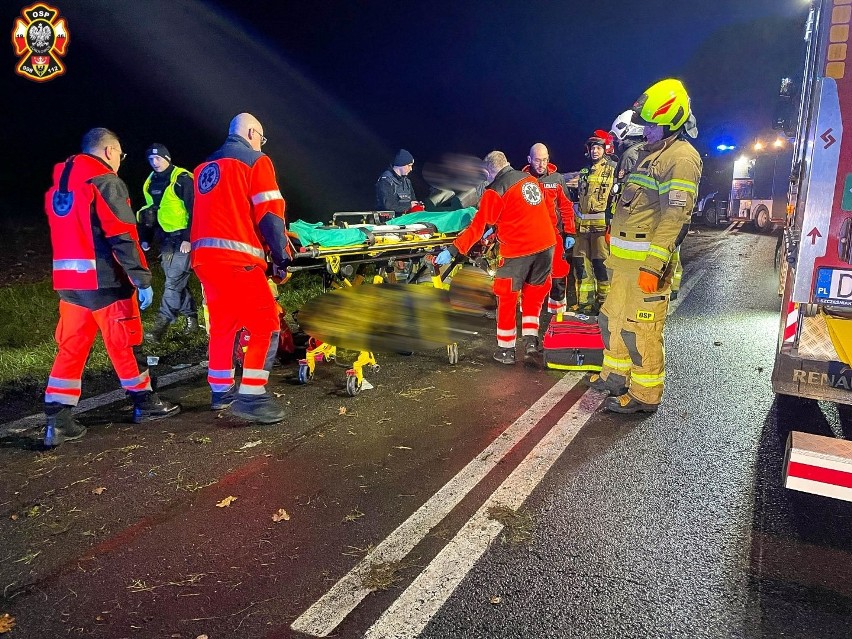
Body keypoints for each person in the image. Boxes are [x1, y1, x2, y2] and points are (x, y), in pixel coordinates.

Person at [43, 128, 181, 447]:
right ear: (109, 151)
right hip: (105, 281)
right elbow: (121, 235)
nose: (119, 161)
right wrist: (141, 278)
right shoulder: (105, 181)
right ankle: (145, 403)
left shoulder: (62, 184)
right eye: (120, 155)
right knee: (126, 344)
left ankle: (57, 420)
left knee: (71, 349)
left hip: (70, 284)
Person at [586, 79, 702, 413]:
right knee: (613, 320)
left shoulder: (681, 158)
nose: (645, 130)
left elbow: (676, 217)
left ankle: (644, 394)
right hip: (622, 264)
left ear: (670, 122)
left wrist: (654, 266)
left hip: (644, 268)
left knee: (642, 330)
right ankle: (615, 375)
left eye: (651, 124)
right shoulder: (650, 155)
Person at [191, 113, 292, 424]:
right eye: (260, 138)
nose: (261, 144)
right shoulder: (256, 161)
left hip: (204, 261)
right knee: (266, 324)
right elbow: (270, 214)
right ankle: (251, 396)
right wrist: (282, 256)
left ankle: (220, 391)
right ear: (251, 132)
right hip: (238, 259)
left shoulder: (203, 169)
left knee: (224, 325)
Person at [435, 151, 556, 364]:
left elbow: (478, 225)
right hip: (546, 246)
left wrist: (454, 250)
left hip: (519, 250)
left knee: (507, 297)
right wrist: (498, 230)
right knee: (533, 295)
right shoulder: (529, 179)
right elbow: (529, 211)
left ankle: (506, 351)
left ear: (488, 171)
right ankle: (530, 342)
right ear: (507, 163)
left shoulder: (495, 190)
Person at [137, 143, 199, 342]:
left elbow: (195, 210)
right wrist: (145, 238)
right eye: (151, 159)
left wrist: (188, 238)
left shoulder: (182, 179)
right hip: (166, 239)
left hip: (184, 238)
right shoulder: (150, 182)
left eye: (158, 158)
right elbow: (150, 211)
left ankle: (160, 326)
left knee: (173, 282)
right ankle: (192, 320)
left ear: (167, 158)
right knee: (177, 281)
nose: (155, 162)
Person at [522, 143, 576, 315]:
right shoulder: (520, 179)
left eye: (545, 160)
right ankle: (529, 312)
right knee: (528, 273)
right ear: (529, 159)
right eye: (537, 160)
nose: (541, 164)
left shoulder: (557, 179)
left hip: (554, 235)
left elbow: (566, 207)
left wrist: (570, 232)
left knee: (559, 272)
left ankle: (558, 313)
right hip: (528, 237)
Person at [574, 131, 617, 314]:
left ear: (605, 149)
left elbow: (615, 199)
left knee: (601, 266)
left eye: (599, 147)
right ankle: (585, 304)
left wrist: (611, 223)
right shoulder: (584, 171)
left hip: (601, 228)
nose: (595, 151)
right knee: (581, 266)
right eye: (592, 148)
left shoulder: (612, 169)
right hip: (582, 229)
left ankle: (604, 305)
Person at [375, 149, 423, 214]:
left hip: (405, 218)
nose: (411, 169)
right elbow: (388, 206)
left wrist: (417, 205)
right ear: (401, 164)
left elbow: (412, 200)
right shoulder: (386, 180)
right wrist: (409, 206)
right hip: (390, 221)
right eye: (409, 165)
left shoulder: (407, 181)